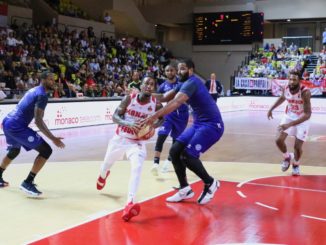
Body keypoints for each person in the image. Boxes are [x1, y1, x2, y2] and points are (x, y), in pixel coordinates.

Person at [144, 59, 224, 205]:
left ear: (191, 71)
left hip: (212, 125)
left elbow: (175, 103)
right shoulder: (182, 83)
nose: (179, 71)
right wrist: (144, 94)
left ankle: (210, 183)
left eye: (182, 69)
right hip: (198, 124)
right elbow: (163, 97)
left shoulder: (192, 82)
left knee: (188, 155)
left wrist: (155, 115)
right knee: (175, 151)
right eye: (178, 69)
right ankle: (185, 189)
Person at [96, 76, 163, 221]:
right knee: (107, 164)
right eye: (146, 83)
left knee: (137, 167)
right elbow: (115, 117)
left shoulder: (156, 104)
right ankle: (103, 173)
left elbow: (162, 118)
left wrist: (153, 126)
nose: (149, 86)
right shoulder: (129, 99)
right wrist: (127, 123)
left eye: (152, 84)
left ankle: (130, 203)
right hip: (120, 139)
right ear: (141, 85)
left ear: (154, 88)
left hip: (137, 142)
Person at [0, 71, 65, 196]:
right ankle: (28, 182)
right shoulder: (42, 95)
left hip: (7, 122)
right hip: (16, 127)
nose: (54, 82)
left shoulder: (33, 90)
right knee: (46, 150)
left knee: (14, 150)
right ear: (44, 80)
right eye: (51, 79)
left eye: (54, 79)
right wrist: (53, 138)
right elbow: (38, 121)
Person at [267, 69, 311, 176]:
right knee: (278, 140)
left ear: (299, 80)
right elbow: (283, 97)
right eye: (290, 79)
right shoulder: (286, 87)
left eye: (294, 80)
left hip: (302, 118)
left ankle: (296, 164)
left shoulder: (305, 92)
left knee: (297, 147)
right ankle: (287, 157)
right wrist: (271, 108)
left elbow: (307, 114)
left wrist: (289, 125)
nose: (291, 82)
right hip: (289, 115)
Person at [151, 64, 189, 175]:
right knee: (161, 136)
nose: (169, 72)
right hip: (168, 116)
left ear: (175, 71)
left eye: (171, 70)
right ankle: (155, 164)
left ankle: (167, 163)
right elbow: (158, 100)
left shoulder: (181, 84)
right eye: (167, 71)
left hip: (182, 116)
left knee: (175, 142)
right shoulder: (163, 86)